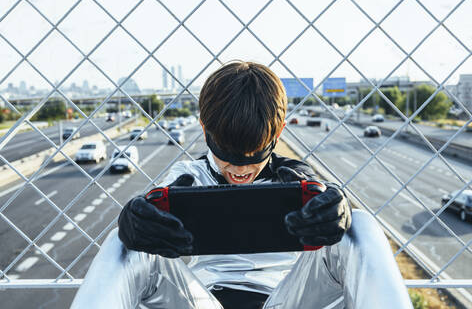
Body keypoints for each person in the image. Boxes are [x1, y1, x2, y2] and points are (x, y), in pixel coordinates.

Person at [71, 61, 412, 309]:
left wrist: (339, 211)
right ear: (205, 131)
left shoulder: (294, 180)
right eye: (226, 156)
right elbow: (152, 210)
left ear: (277, 135)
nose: (238, 171)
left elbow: (310, 182)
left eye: (252, 157)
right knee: (127, 241)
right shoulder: (186, 178)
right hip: (202, 300)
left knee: (359, 227)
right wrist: (133, 220)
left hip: (286, 300)